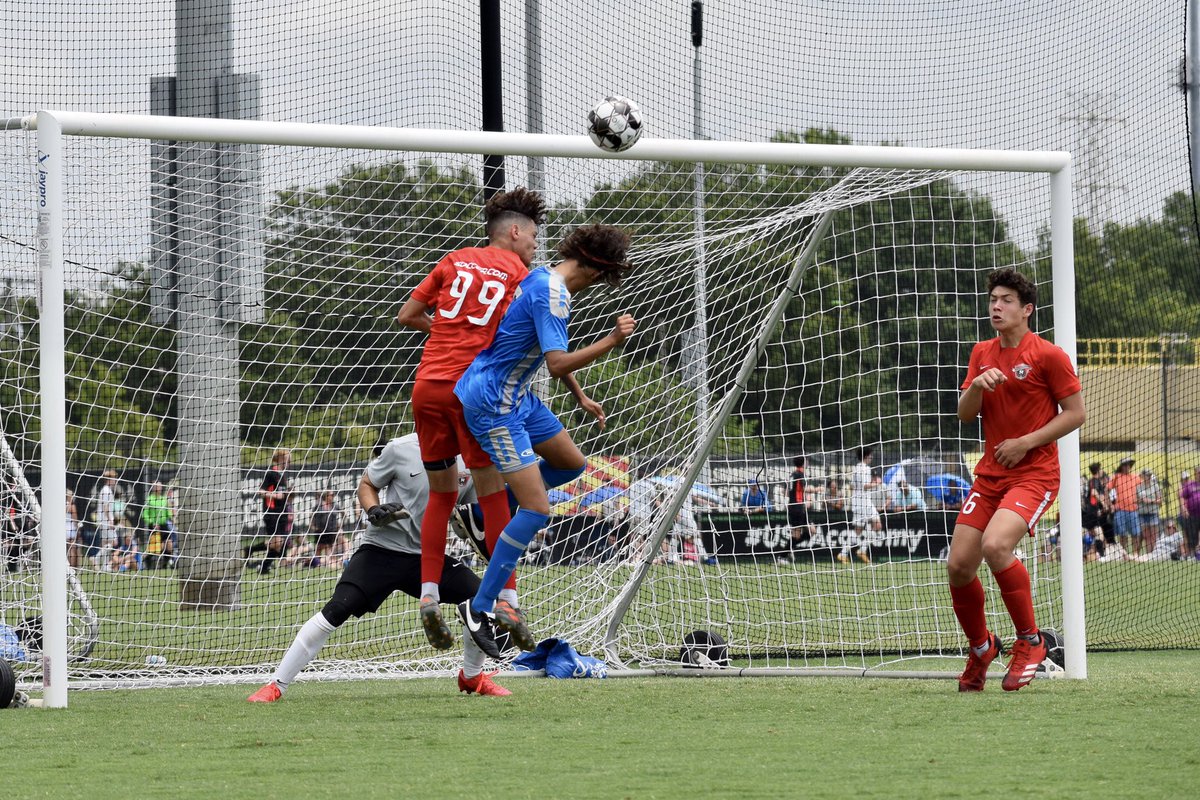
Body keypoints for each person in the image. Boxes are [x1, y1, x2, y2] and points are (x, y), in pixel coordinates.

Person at [456, 223, 636, 649]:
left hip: (516, 395)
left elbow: (544, 353)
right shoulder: (554, 296)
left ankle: (485, 514)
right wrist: (612, 339)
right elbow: (556, 363)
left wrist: (580, 395)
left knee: (571, 463)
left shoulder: (541, 276)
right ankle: (480, 607)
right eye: (603, 278)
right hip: (495, 403)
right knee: (537, 509)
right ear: (595, 271)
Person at [395, 187, 553, 651]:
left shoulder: (453, 259)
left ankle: (428, 594)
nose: (535, 247)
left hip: (428, 388)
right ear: (515, 231)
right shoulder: (521, 275)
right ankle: (507, 598)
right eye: (533, 238)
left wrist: (444, 331)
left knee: (441, 495)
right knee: (493, 490)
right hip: (473, 393)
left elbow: (408, 315)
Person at [247, 433, 512, 702]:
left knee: (481, 597)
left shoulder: (468, 457)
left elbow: (474, 511)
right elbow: (366, 484)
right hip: (381, 551)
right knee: (336, 610)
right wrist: (374, 509)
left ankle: (472, 676)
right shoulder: (400, 448)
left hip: (428, 557)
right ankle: (276, 685)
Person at [947, 267, 1085, 692]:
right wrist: (976, 386)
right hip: (990, 476)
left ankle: (1031, 641)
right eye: (993, 299)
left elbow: (1076, 414)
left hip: (1034, 475)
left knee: (995, 545)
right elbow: (965, 414)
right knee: (958, 566)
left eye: (1006, 300)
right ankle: (981, 648)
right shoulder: (982, 352)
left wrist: (1025, 442)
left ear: (1026, 310)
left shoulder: (1048, 355)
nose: (996, 306)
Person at [247, 448, 292, 575]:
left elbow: (283, 495)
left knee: (279, 543)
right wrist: (275, 495)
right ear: (280, 458)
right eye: (287, 459)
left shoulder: (283, 475)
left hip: (282, 513)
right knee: (277, 542)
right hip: (271, 513)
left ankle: (263, 566)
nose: (289, 462)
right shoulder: (271, 473)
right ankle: (261, 563)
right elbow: (261, 491)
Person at [840, 447, 877, 564]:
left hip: (863, 503)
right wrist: (877, 483)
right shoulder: (865, 469)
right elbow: (865, 486)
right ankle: (844, 553)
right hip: (863, 504)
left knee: (877, 524)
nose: (872, 457)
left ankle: (861, 550)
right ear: (866, 456)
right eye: (870, 455)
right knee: (859, 530)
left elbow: (852, 486)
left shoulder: (856, 468)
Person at [1107, 457, 1142, 556]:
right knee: (1122, 534)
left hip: (1133, 510)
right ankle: (1124, 554)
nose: (1127, 467)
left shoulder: (1135, 477)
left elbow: (1143, 488)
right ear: (1122, 466)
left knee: (1135, 533)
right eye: (1125, 465)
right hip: (1120, 510)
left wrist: (1140, 499)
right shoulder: (1116, 477)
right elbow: (1106, 490)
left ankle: (1135, 554)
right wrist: (1110, 505)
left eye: (1128, 465)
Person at [140, 481, 175, 569]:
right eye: (157, 487)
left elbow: (168, 512)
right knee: (155, 548)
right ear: (153, 488)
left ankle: (165, 563)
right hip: (153, 526)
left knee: (169, 544)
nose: (159, 488)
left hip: (163, 525)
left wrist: (172, 517)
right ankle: (147, 560)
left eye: (160, 486)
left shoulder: (164, 499)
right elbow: (145, 514)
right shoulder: (149, 499)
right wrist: (152, 523)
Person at [308, 490, 344, 567]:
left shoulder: (335, 506)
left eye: (333, 495)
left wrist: (340, 525)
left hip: (331, 531)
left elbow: (343, 513)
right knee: (319, 548)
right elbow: (311, 515)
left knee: (329, 548)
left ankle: (329, 564)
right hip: (320, 531)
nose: (333, 497)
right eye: (331, 495)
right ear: (326, 496)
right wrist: (312, 526)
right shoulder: (319, 505)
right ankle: (317, 564)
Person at [1135, 468, 1163, 554]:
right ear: (1143, 476)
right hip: (1142, 514)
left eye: (1150, 475)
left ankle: (1153, 555)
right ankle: (1148, 555)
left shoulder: (1155, 486)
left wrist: (1150, 501)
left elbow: (1160, 500)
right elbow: (1135, 500)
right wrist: (1142, 500)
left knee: (1153, 537)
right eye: (1147, 475)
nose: (1149, 476)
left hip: (1153, 513)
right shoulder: (1139, 487)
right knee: (1146, 536)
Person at [96, 470, 117, 571]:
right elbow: (105, 507)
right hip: (105, 521)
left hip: (104, 520)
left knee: (105, 543)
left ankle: (105, 565)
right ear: (109, 479)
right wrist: (110, 520)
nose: (115, 480)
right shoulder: (106, 490)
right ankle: (96, 558)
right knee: (114, 542)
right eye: (113, 478)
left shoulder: (107, 490)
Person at [1179, 470, 1200, 560]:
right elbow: (1182, 496)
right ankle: (1192, 554)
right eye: (1198, 473)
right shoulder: (1190, 485)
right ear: (1195, 474)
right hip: (1192, 515)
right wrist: (1183, 508)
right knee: (1192, 535)